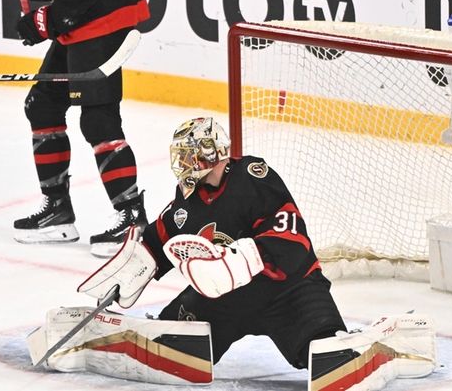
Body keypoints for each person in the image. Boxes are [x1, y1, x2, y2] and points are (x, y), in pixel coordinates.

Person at [79, 117, 348, 370]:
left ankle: (342, 344)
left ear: (209, 153)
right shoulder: (188, 198)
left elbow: (291, 238)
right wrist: (132, 268)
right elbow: (160, 236)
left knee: (327, 356)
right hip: (224, 299)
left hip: (288, 290)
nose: (181, 161)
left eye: (187, 154)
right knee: (165, 345)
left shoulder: (253, 178)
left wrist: (242, 260)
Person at [0, 0, 151, 257]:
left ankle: (132, 218)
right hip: (83, 20)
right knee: (42, 106)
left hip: (103, 17)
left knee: (98, 119)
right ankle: (57, 210)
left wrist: (40, 22)